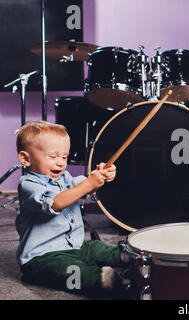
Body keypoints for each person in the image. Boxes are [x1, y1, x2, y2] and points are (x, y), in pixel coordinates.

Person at [15, 120, 124, 296]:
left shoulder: (64, 177)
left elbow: (81, 186)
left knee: (95, 248)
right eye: (53, 157)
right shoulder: (28, 185)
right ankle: (99, 279)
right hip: (43, 257)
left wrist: (100, 177)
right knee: (71, 270)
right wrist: (89, 183)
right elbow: (55, 203)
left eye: (64, 157)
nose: (60, 163)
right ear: (25, 158)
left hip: (74, 246)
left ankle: (125, 256)